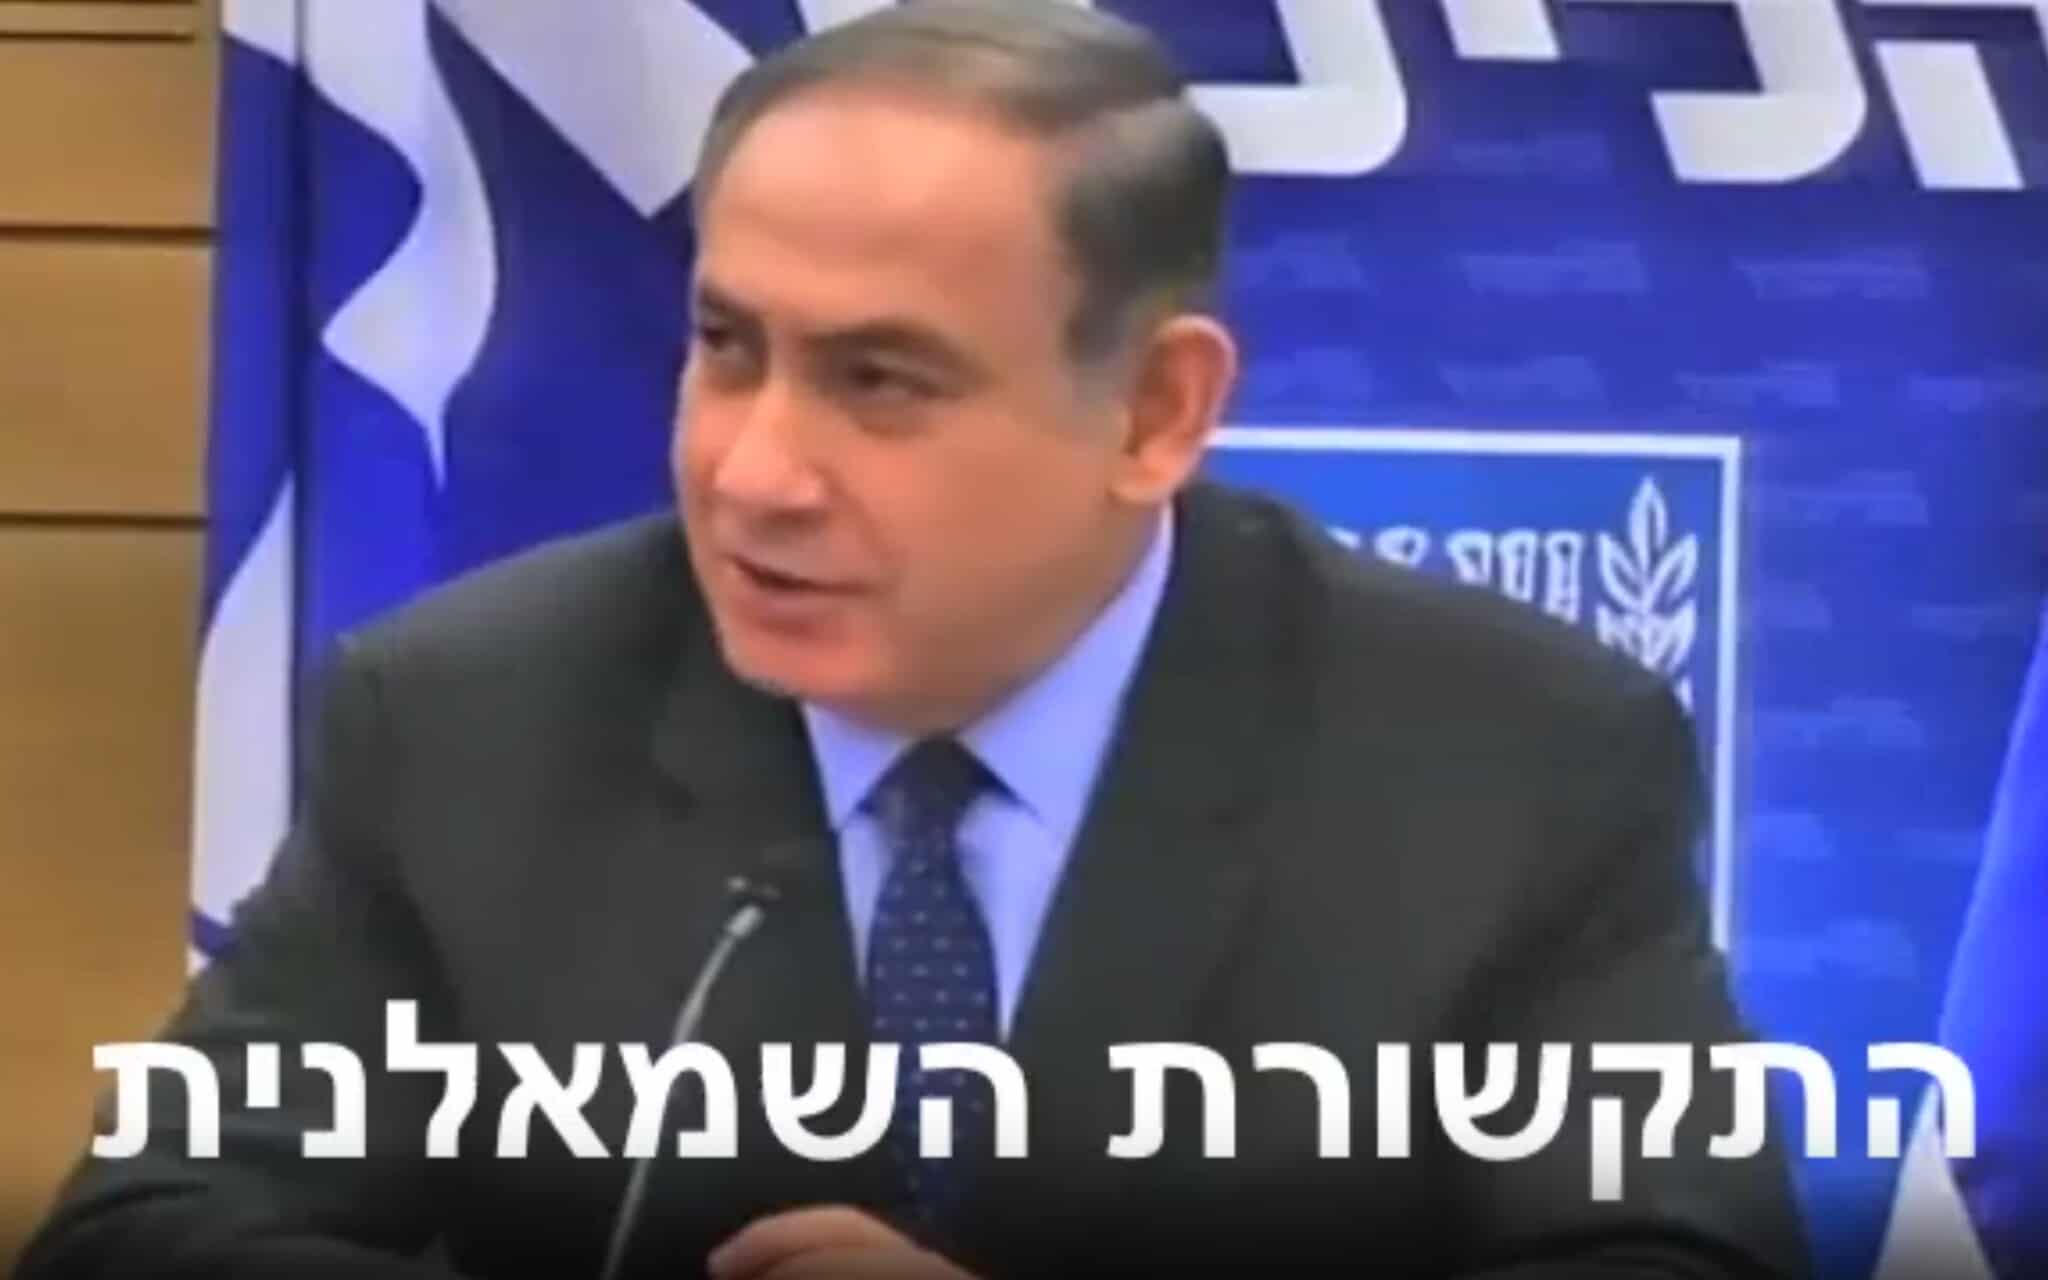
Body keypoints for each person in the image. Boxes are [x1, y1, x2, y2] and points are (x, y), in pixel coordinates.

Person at [22, 3, 1807, 1277]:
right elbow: (149, 1229)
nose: (754, 471)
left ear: (1157, 413)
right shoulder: (474, 716)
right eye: (728, 348)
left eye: (880, 381)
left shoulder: (1508, 759)